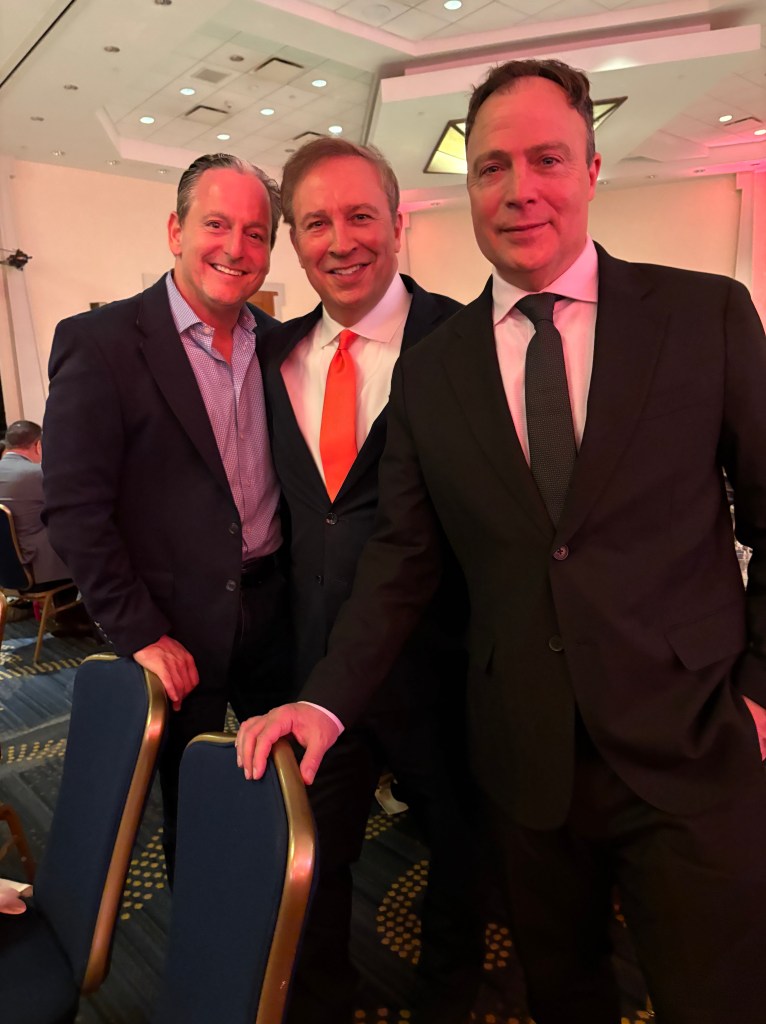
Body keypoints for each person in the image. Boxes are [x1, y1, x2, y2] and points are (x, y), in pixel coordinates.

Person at [238, 59, 766, 1024]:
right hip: (524, 764)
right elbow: (401, 562)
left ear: (592, 170)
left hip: (693, 745)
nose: (520, 189)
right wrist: (322, 702)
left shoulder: (707, 316)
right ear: (468, 189)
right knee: (561, 997)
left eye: (546, 159)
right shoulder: (434, 373)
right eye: (492, 167)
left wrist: (762, 690)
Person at [262, 137, 484, 1024]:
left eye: (360, 216)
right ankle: (323, 1001)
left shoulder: (469, 341)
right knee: (314, 859)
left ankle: (447, 998)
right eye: (316, 222)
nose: (341, 240)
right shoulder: (271, 356)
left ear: (398, 222)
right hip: (317, 667)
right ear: (294, 239)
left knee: (462, 852)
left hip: (446, 665)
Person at [43, 153, 290, 881]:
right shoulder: (101, 343)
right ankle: (202, 937)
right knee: (194, 804)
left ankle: (282, 920)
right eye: (216, 224)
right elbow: (75, 509)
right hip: (173, 626)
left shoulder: (281, 344)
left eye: (255, 233)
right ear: (176, 230)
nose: (235, 247)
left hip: (279, 608)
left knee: (293, 787)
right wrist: (141, 631)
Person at [0, 420, 71, 584]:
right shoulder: (37, 474)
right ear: (38, 445)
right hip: (38, 567)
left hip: (6, 569)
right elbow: (69, 508)